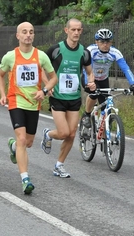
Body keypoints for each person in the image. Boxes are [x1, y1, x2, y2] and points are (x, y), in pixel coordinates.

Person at [0, 22, 58, 194]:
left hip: (33, 103)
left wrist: (44, 91)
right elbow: (0, 76)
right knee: (22, 139)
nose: (28, 35)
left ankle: (14, 147)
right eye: (24, 32)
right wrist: (3, 95)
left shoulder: (40, 56)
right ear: (18, 36)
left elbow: (54, 78)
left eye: (31, 32)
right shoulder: (10, 56)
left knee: (28, 143)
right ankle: (25, 179)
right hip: (16, 101)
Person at [40, 18, 96, 178]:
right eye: (73, 30)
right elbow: (42, 67)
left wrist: (91, 82)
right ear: (66, 30)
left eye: (79, 30)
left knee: (71, 134)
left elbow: (89, 71)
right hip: (57, 96)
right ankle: (48, 134)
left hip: (74, 97)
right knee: (63, 132)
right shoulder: (56, 49)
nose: (76, 32)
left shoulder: (84, 52)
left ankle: (59, 165)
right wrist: (47, 85)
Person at [81, 28, 134, 128]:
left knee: (105, 111)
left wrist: (133, 83)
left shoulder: (115, 52)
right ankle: (86, 115)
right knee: (94, 94)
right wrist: (88, 83)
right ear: (96, 42)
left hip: (103, 79)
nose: (105, 44)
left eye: (108, 42)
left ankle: (105, 140)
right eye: (102, 41)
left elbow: (126, 69)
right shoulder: (91, 51)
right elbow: (87, 69)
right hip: (90, 77)